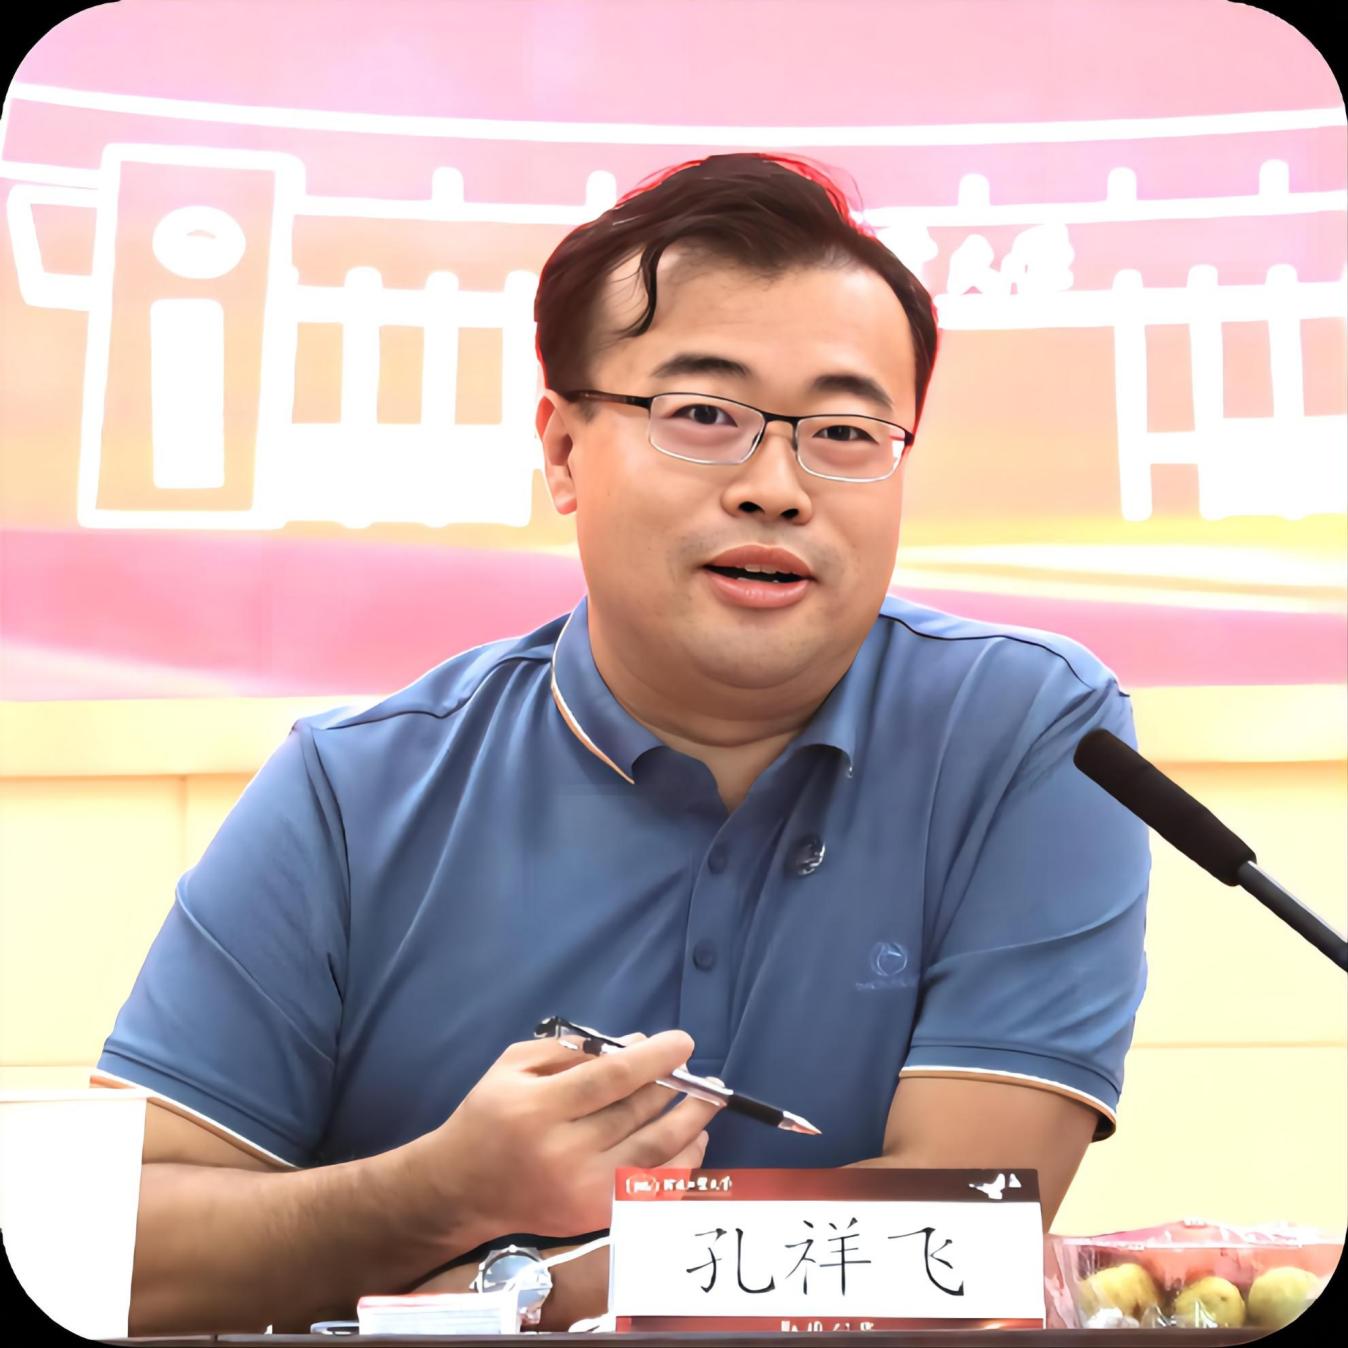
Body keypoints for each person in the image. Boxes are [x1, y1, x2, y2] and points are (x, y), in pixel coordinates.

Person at [94, 152, 1150, 1334]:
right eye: (702, 416)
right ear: (562, 452)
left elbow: (961, 1232)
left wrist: (521, 1290)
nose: (775, 487)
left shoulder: (1025, 732)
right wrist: (435, 1192)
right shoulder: (352, 789)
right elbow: (110, 1250)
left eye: (846, 431)